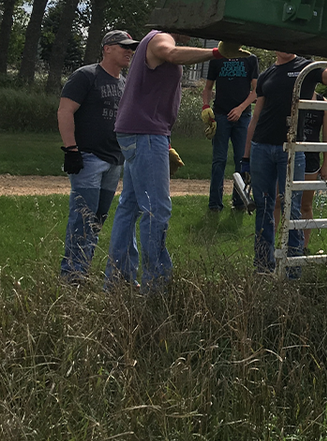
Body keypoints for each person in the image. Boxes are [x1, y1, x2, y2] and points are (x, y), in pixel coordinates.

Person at [104, 32, 249, 290]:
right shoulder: (161, 38)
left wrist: (166, 143)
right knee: (157, 209)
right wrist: (217, 53)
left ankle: (118, 280)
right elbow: (171, 54)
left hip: (140, 131)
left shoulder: (154, 42)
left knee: (130, 206)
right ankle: (156, 286)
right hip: (146, 133)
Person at [243, 53, 327, 275]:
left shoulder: (307, 68)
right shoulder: (267, 73)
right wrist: (246, 157)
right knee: (264, 208)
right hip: (261, 146)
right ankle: (262, 267)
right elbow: (256, 116)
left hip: (291, 149)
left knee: (292, 209)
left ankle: (292, 271)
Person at [57, 29, 138, 283]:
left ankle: (82, 268)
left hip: (115, 160)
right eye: (123, 46)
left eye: (131, 47)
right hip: (88, 158)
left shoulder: (125, 83)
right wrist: (71, 149)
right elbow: (65, 111)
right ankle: (73, 276)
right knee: (83, 217)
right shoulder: (86, 76)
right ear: (107, 48)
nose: (129, 51)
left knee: (97, 221)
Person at [202, 52, 259, 213]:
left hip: (243, 116)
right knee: (219, 159)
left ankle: (240, 201)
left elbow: (256, 90)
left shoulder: (250, 59)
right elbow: (207, 88)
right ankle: (214, 204)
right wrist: (206, 106)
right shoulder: (217, 58)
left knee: (241, 159)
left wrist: (240, 109)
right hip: (220, 115)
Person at [298, 91, 327, 251]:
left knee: (305, 204)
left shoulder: (323, 104)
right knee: (281, 201)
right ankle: (281, 242)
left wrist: (325, 164)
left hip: (311, 157)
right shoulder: (292, 96)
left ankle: (303, 246)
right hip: (289, 154)